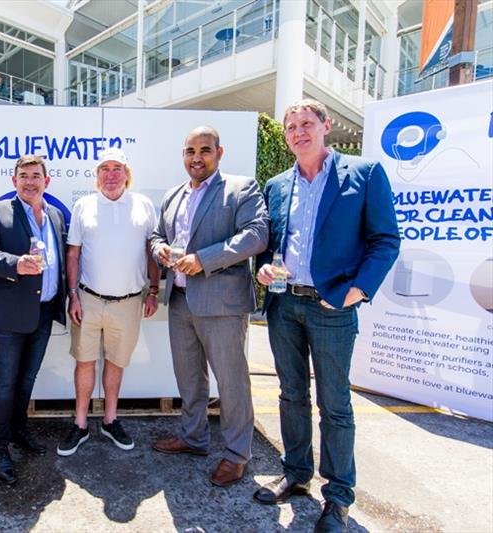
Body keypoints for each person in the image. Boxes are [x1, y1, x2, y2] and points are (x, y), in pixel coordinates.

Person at [253, 99, 400, 533]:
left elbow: (385, 240)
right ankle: (296, 473)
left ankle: (337, 497)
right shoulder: (278, 184)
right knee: (290, 394)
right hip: (284, 303)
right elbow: (273, 243)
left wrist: (356, 292)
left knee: (334, 404)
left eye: (306, 123)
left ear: (325, 126)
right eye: (291, 126)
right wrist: (263, 266)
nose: (298, 132)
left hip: (331, 306)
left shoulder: (364, 173)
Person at [150, 126, 269, 487]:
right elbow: (158, 236)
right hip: (181, 300)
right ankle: (193, 437)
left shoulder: (240, 188)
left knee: (231, 382)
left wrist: (204, 259)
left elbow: (256, 235)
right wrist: (160, 250)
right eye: (190, 151)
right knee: (189, 377)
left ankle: (236, 454)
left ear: (219, 152)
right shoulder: (174, 195)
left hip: (222, 303)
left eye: (204, 150)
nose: (196, 157)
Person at [57, 147, 159, 456]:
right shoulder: (83, 205)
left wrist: (154, 290)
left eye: (117, 168)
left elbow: (151, 250)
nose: (111, 174)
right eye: (104, 169)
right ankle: (80, 424)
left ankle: (110, 419)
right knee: (84, 360)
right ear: (97, 175)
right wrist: (72, 294)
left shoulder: (143, 205)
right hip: (87, 300)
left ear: (127, 175)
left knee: (116, 362)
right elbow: (72, 253)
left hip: (129, 302)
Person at [0, 155, 67, 485]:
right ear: (14, 181)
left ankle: (19, 430)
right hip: (9, 314)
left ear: (47, 181)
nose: (30, 181)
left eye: (36, 176)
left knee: (27, 378)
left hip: (43, 311)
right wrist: (16, 263)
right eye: (23, 176)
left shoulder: (55, 215)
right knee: (4, 382)